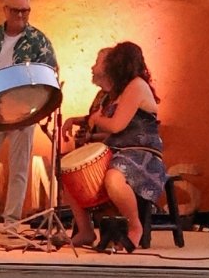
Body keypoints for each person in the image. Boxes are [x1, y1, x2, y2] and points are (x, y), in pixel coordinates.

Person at [62, 41, 166, 253]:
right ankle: (85, 230)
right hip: (119, 151)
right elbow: (113, 130)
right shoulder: (122, 90)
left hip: (141, 153)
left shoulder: (136, 86)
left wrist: (97, 119)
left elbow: (116, 125)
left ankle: (135, 227)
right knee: (71, 175)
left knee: (114, 178)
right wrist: (90, 123)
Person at [0, 0, 58, 225]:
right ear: (5, 10)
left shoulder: (39, 41)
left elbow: (50, 73)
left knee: (19, 168)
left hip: (24, 110)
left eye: (25, 11)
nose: (21, 15)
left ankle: (12, 221)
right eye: (16, 10)